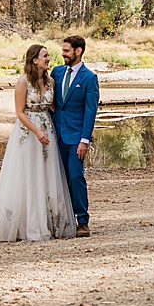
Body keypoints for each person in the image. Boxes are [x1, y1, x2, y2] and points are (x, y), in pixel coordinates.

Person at [0, 43, 79, 241]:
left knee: (47, 175)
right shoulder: (23, 82)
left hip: (47, 130)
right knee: (28, 175)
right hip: (28, 132)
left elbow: (54, 107)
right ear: (34, 60)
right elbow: (19, 112)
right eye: (45, 56)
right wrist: (36, 132)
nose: (49, 59)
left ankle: (48, 222)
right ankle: (25, 225)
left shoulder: (51, 81)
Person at [52, 35, 101, 237]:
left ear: (78, 51)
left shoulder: (89, 78)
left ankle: (82, 220)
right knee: (56, 179)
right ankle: (62, 220)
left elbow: (90, 111)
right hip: (55, 135)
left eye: (66, 51)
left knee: (75, 176)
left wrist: (84, 140)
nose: (63, 54)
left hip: (76, 139)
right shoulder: (57, 72)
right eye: (62, 50)